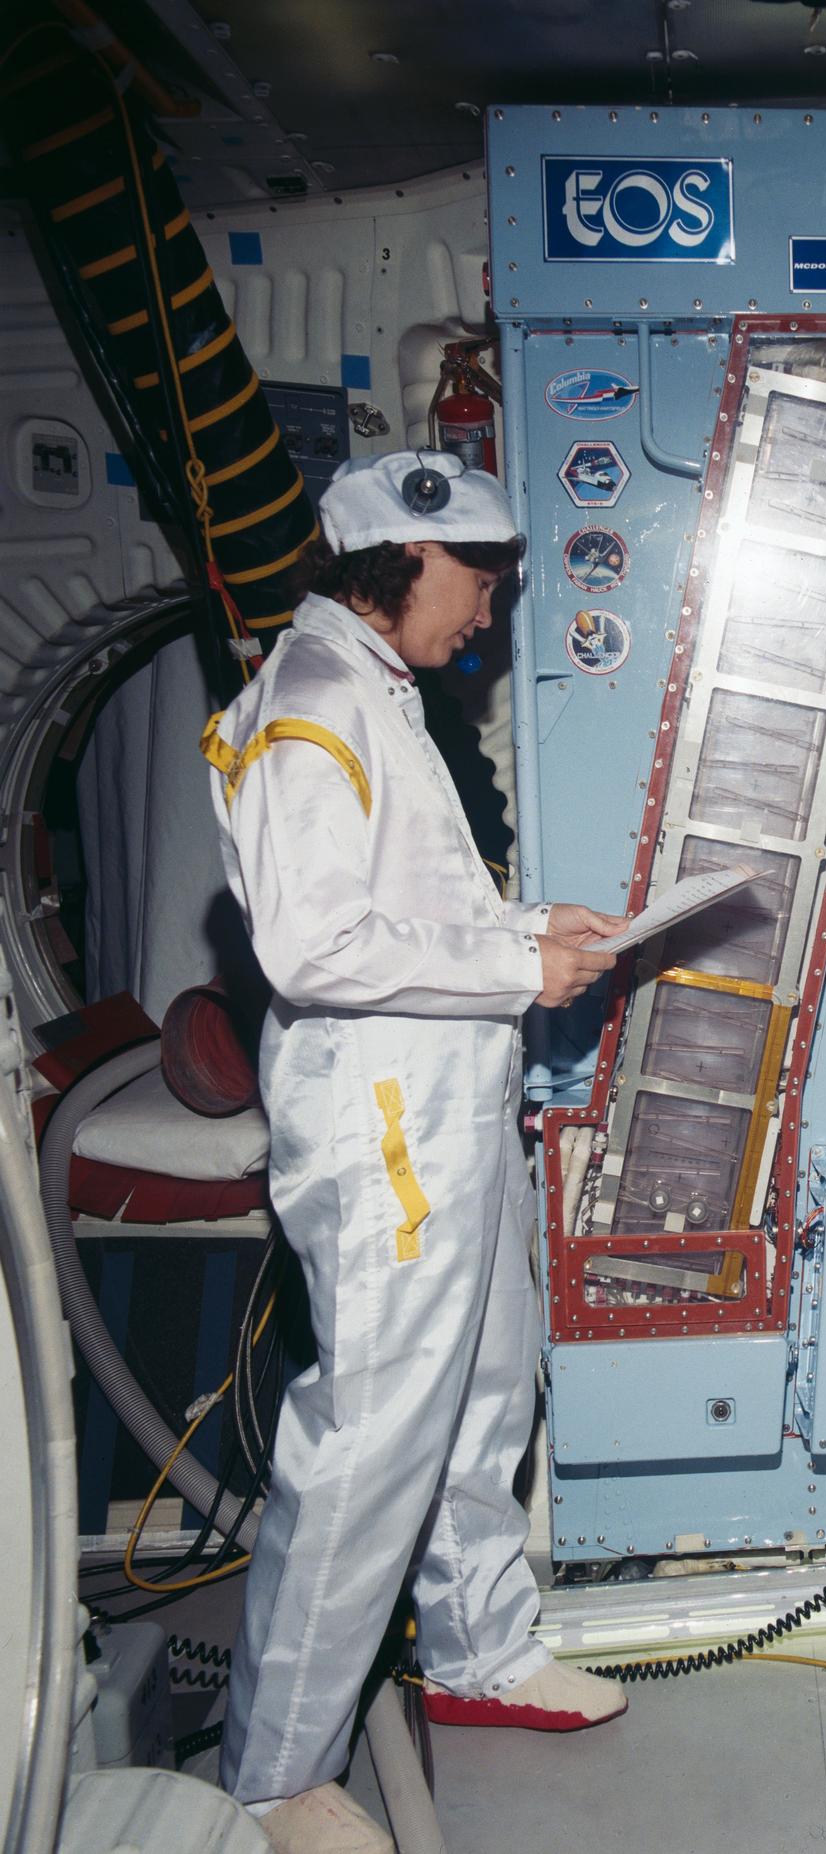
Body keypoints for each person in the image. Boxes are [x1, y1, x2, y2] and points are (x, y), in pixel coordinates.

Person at [201, 451, 629, 1853]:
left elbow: (407, 903)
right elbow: (313, 945)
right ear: (403, 562)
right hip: (383, 1120)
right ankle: (274, 1770)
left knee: (485, 1393)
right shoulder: (315, 701)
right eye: (481, 580)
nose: (491, 614)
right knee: (372, 1441)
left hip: (449, 1103)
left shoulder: (379, 691)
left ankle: (481, 1649)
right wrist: (517, 952)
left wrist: (531, 924)